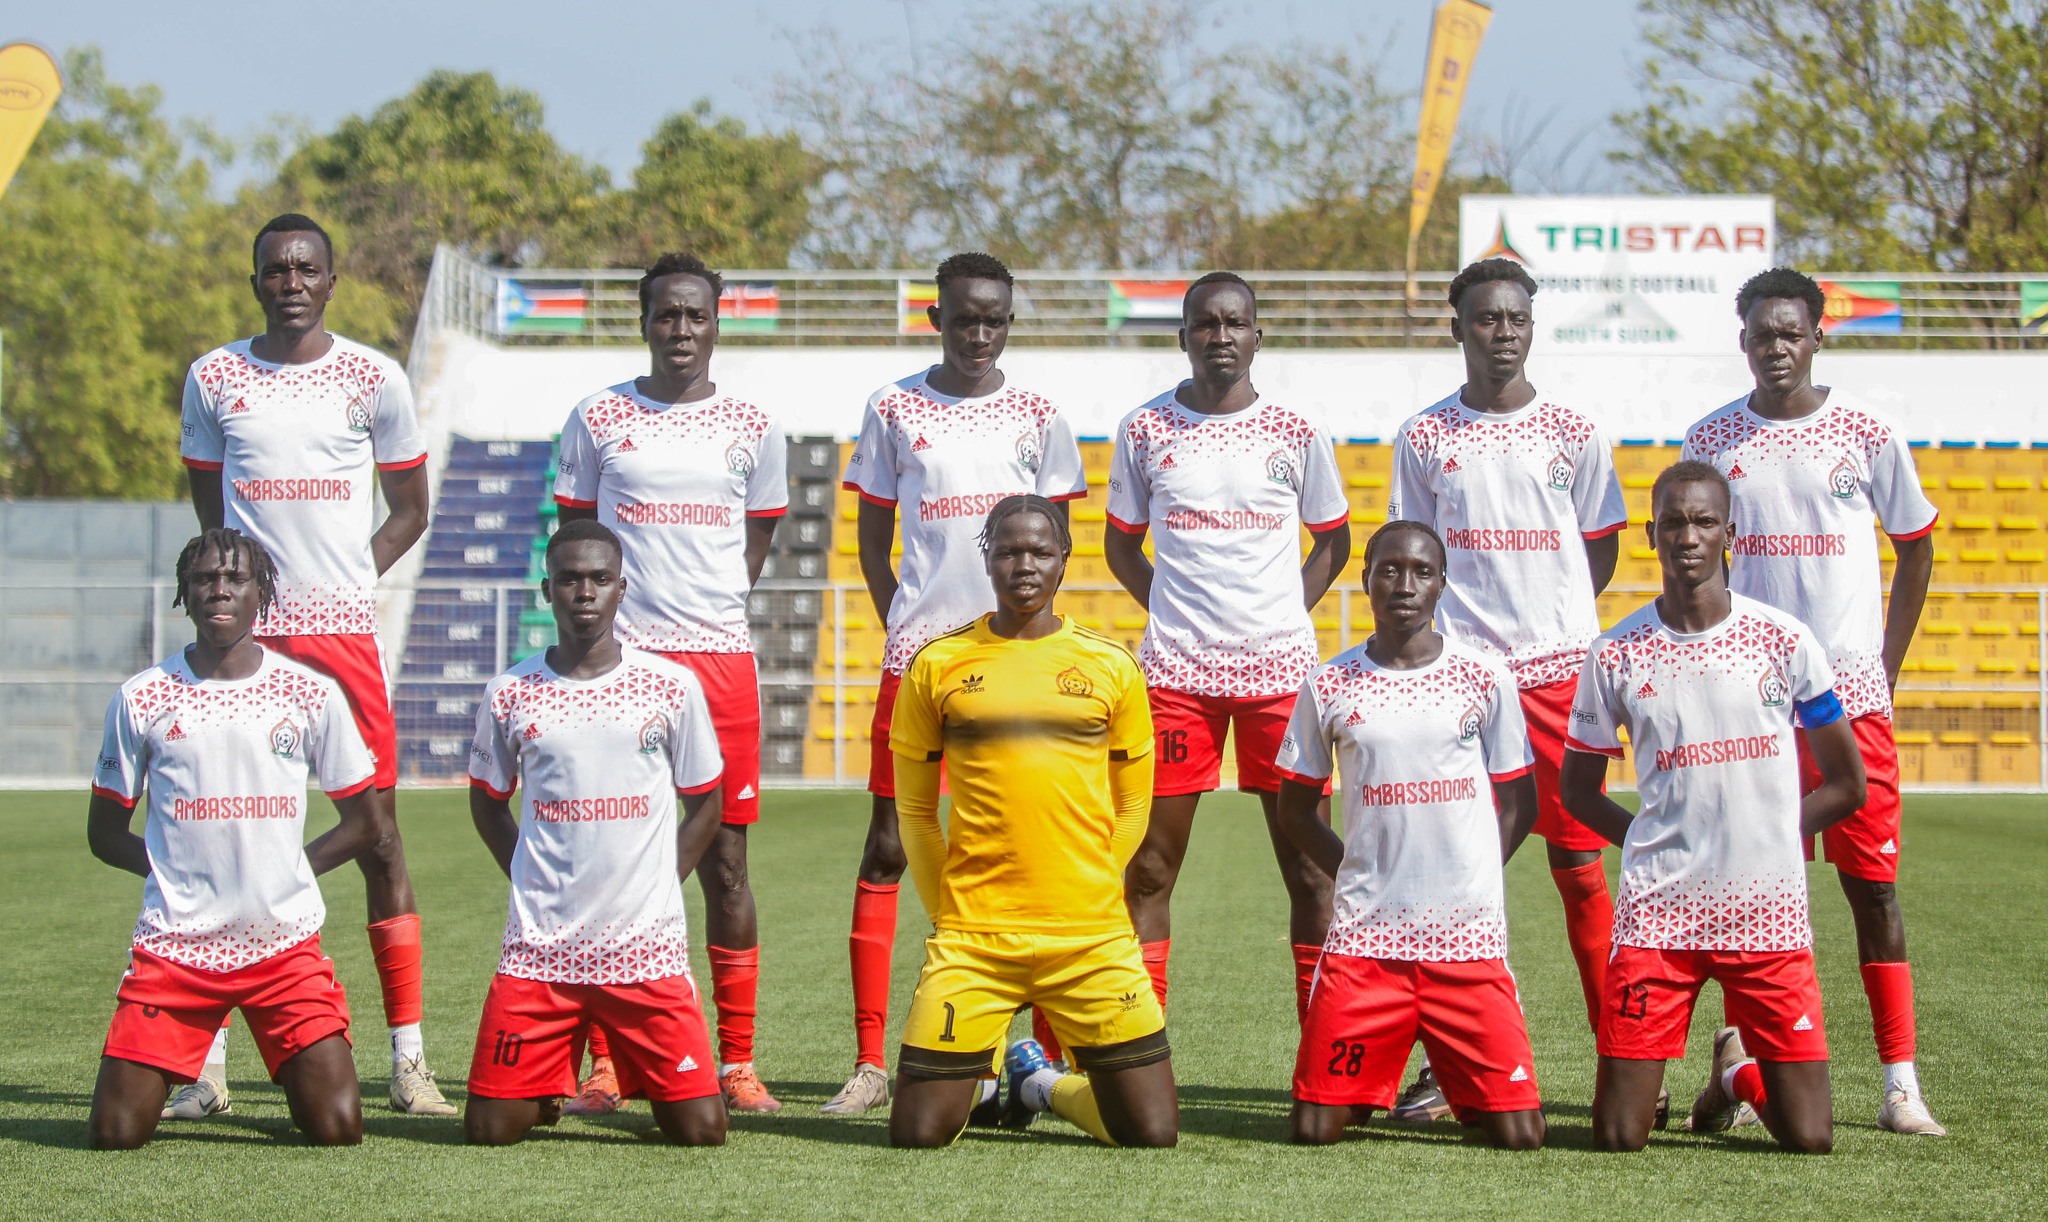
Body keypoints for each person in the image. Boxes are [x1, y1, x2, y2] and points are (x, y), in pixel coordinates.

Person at [178, 213, 449, 1116]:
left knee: (379, 837)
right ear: (255, 278)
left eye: (306, 268)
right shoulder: (214, 377)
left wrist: (345, 578)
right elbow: (213, 521)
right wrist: (246, 596)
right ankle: (207, 1070)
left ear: (331, 281)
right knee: (220, 836)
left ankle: (409, 1060)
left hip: (341, 639)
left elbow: (410, 509)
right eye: (275, 268)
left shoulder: (375, 377)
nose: (290, 280)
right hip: (248, 646)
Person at [1679, 266, 1945, 1137]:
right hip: (1750, 706)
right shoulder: (1711, 438)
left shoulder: (1868, 430)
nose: (1777, 347)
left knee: (1873, 890)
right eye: (1762, 334)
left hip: (1851, 703)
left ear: (1818, 337)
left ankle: (1900, 1083)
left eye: (1791, 333)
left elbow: (1915, 546)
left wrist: (1885, 665)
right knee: (1745, 889)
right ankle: (1738, 1061)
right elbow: (1701, 568)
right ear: (1743, 341)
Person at [827, 253, 1088, 1116]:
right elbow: (872, 541)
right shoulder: (892, 408)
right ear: (935, 318)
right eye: (966, 318)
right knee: (889, 846)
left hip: (1020, 667)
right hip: (921, 664)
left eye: (996, 319)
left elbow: (1055, 543)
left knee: (1032, 846)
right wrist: (908, 629)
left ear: (1010, 321)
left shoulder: (1040, 416)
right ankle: (871, 1062)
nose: (980, 333)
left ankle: (1039, 1058)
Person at [1561, 461, 1867, 1155]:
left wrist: (1770, 837)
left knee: (1810, 1138)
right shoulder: (1615, 653)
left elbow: (1848, 784)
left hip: (1765, 908)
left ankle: (1733, 1077)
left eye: (1703, 522)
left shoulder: (1785, 640)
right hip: (1659, 912)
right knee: (1619, 1135)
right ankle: (1726, 1076)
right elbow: (1577, 791)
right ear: (1651, 534)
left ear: (1730, 532)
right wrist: (1649, 840)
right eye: (1673, 523)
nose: (1688, 537)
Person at [1382, 257, 1629, 1119]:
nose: (1502, 332)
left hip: (1560, 675)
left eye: (1516, 318)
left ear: (1532, 327)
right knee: (1451, 871)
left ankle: (1624, 1060)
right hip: (1463, 682)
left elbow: (1599, 544)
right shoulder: (1423, 436)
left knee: (1580, 872)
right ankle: (1443, 1067)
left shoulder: (1575, 432)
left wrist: (1553, 617)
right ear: (1459, 328)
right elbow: (1413, 550)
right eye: (1486, 318)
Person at [553, 253, 788, 1114]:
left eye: (695, 315)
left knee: (725, 866)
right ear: (644, 320)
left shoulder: (755, 425)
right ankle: (607, 1066)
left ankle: (736, 1063)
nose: (680, 329)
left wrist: (706, 608)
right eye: (666, 314)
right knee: (607, 863)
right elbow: (578, 543)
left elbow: (755, 542)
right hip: (622, 667)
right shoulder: (598, 417)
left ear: (717, 323)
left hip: (718, 662)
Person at [887, 496, 1175, 1148]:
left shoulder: (1111, 665)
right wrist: (947, 913)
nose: (1025, 565)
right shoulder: (936, 664)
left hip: (1090, 939)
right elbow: (916, 812)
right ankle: (979, 1078)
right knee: (919, 1134)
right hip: (975, 940)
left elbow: (1134, 806)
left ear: (1063, 560)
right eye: (1009, 551)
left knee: (1151, 1132)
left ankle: (1035, 1085)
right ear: (986, 558)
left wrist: (1092, 884)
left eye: (1040, 551)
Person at [86, 529, 388, 1149]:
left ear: (261, 592)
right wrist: (173, 874)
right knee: (115, 1134)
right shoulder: (143, 696)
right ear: (185, 593)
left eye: (236, 578)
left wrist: (287, 872)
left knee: (338, 1128)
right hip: (177, 949)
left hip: (281, 947)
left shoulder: (309, 692)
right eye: (204, 579)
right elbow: (104, 833)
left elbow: (366, 824)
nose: (219, 590)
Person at [1105, 272, 1351, 1024]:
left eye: (1235, 323)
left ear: (1257, 336)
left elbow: (1334, 540)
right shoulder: (1145, 429)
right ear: (1183, 336)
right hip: (1176, 678)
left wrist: (1281, 613)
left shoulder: (1296, 431)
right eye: (1206, 324)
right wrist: (1176, 613)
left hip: (1282, 678)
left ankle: (1323, 1052)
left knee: (1311, 871)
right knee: (1149, 868)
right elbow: (1121, 546)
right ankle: (1140, 1048)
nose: (1221, 336)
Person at [1274, 520, 1545, 1149]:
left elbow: (1520, 804)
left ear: (1442, 583)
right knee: (1316, 1128)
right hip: (1367, 938)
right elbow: (1295, 811)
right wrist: (1357, 869)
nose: (1405, 584)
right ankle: (1377, 1074)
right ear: (1366, 579)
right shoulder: (1328, 683)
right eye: (1389, 569)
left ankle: (1454, 1075)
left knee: (1520, 1134)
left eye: (1422, 571)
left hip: (1465, 937)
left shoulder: (1484, 677)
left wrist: (1474, 872)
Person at [463, 520, 729, 1147]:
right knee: (490, 1130)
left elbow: (707, 803)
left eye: (600, 579)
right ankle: (543, 1088)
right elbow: (487, 803)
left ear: (621, 588)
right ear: (547, 590)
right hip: (541, 950)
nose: (585, 592)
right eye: (570, 579)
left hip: (645, 951)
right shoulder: (510, 692)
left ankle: (633, 1076)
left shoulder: (669, 686)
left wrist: (662, 881)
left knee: (701, 1131)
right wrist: (528, 873)